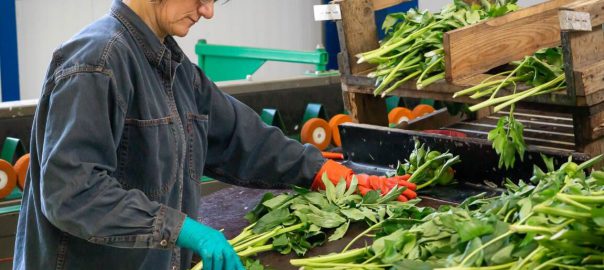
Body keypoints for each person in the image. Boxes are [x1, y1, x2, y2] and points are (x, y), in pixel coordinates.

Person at [13, 0, 412, 269]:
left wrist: (321, 172)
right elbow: (72, 192)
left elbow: (241, 136)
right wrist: (183, 229)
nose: (207, 12)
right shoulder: (96, 61)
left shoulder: (170, 63)